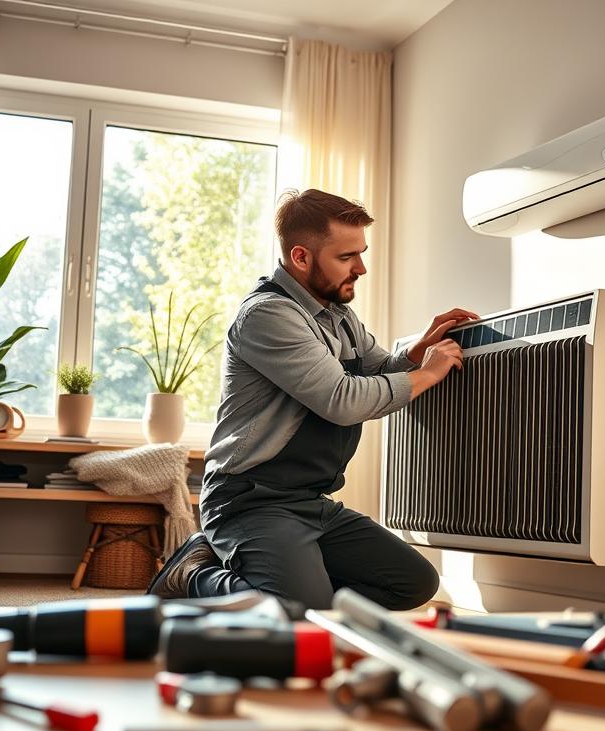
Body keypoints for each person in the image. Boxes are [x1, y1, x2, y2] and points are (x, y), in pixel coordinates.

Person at [148, 188, 477, 610]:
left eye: (361, 253)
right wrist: (428, 372)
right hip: (250, 499)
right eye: (346, 258)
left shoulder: (338, 314)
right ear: (301, 257)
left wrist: (416, 353)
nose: (360, 268)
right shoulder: (268, 315)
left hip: (308, 500)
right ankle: (193, 575)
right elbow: (342, 400)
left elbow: (378, 370)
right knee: (298, 616)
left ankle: (297, 584)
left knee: (413, 584)